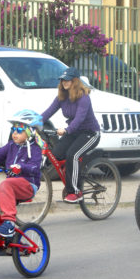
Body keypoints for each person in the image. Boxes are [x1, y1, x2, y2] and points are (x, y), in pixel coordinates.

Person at [41, 66, 100, 204]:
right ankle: (73, 175)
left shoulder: (83, 98)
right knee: (55, 154)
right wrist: (33, 122)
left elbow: (79, 119)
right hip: (74, 132)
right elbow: (48, 112)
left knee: (72, 155)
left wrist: (67, 130)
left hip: (90, 133)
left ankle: (75, 192)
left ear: (75, 81)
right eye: (62, 80)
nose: (64, 82)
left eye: (67, 80)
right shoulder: (62, 97)